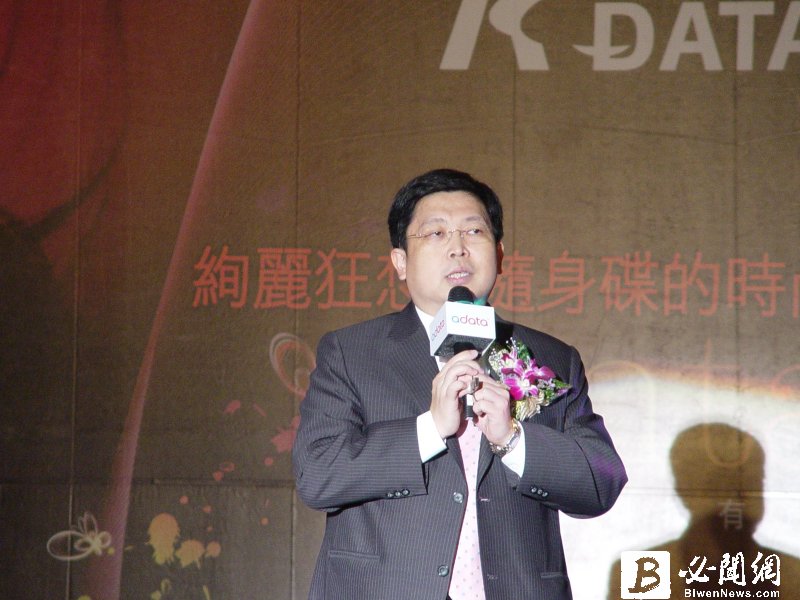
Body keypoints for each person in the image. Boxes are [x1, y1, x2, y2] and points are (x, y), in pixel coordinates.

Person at [293, 168, 627, 599]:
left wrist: (513, 439)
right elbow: (317, 474)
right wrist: (429, 429)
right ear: (400, 262)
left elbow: (601, 482)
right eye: (436, 234)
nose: (458, 248)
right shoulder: (352, 352)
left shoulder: (550, 358)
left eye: (474, 231)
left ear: (500, 254)